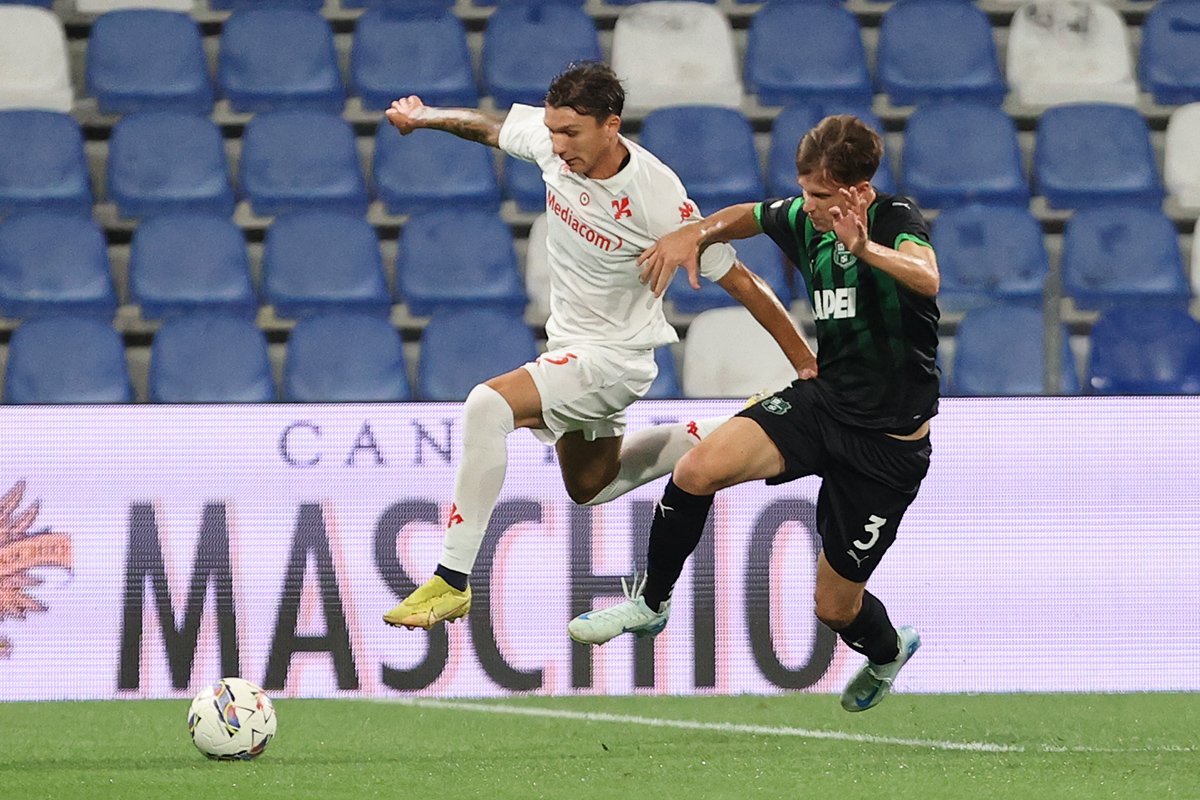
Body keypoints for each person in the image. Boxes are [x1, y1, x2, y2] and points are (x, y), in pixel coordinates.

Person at [382, 62, 817, 631]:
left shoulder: (657, 197)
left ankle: (451, 579)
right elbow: (486, 127)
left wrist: (808, 364)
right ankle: (721, 434)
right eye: (554, 132)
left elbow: (742, 281)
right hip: (571, 348)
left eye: (571, 134)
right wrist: (424, 117)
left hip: (613, 360)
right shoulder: (551, 143)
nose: (558, 146)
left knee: (486, 406)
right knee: (592, 486)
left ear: (611, 126)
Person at [568, 115, 940, 713]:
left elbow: (927, 277)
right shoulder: (803, 219)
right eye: (805, 190)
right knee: (695, 471)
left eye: (820, 195)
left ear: (859, 193)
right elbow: (751, 215)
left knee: (834, 607)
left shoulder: (894, 220)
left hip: (888, 450)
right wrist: (698, 233)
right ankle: (651, 603)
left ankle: (889, 650)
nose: (808, 205)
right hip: (825, 404)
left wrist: (864, 249)